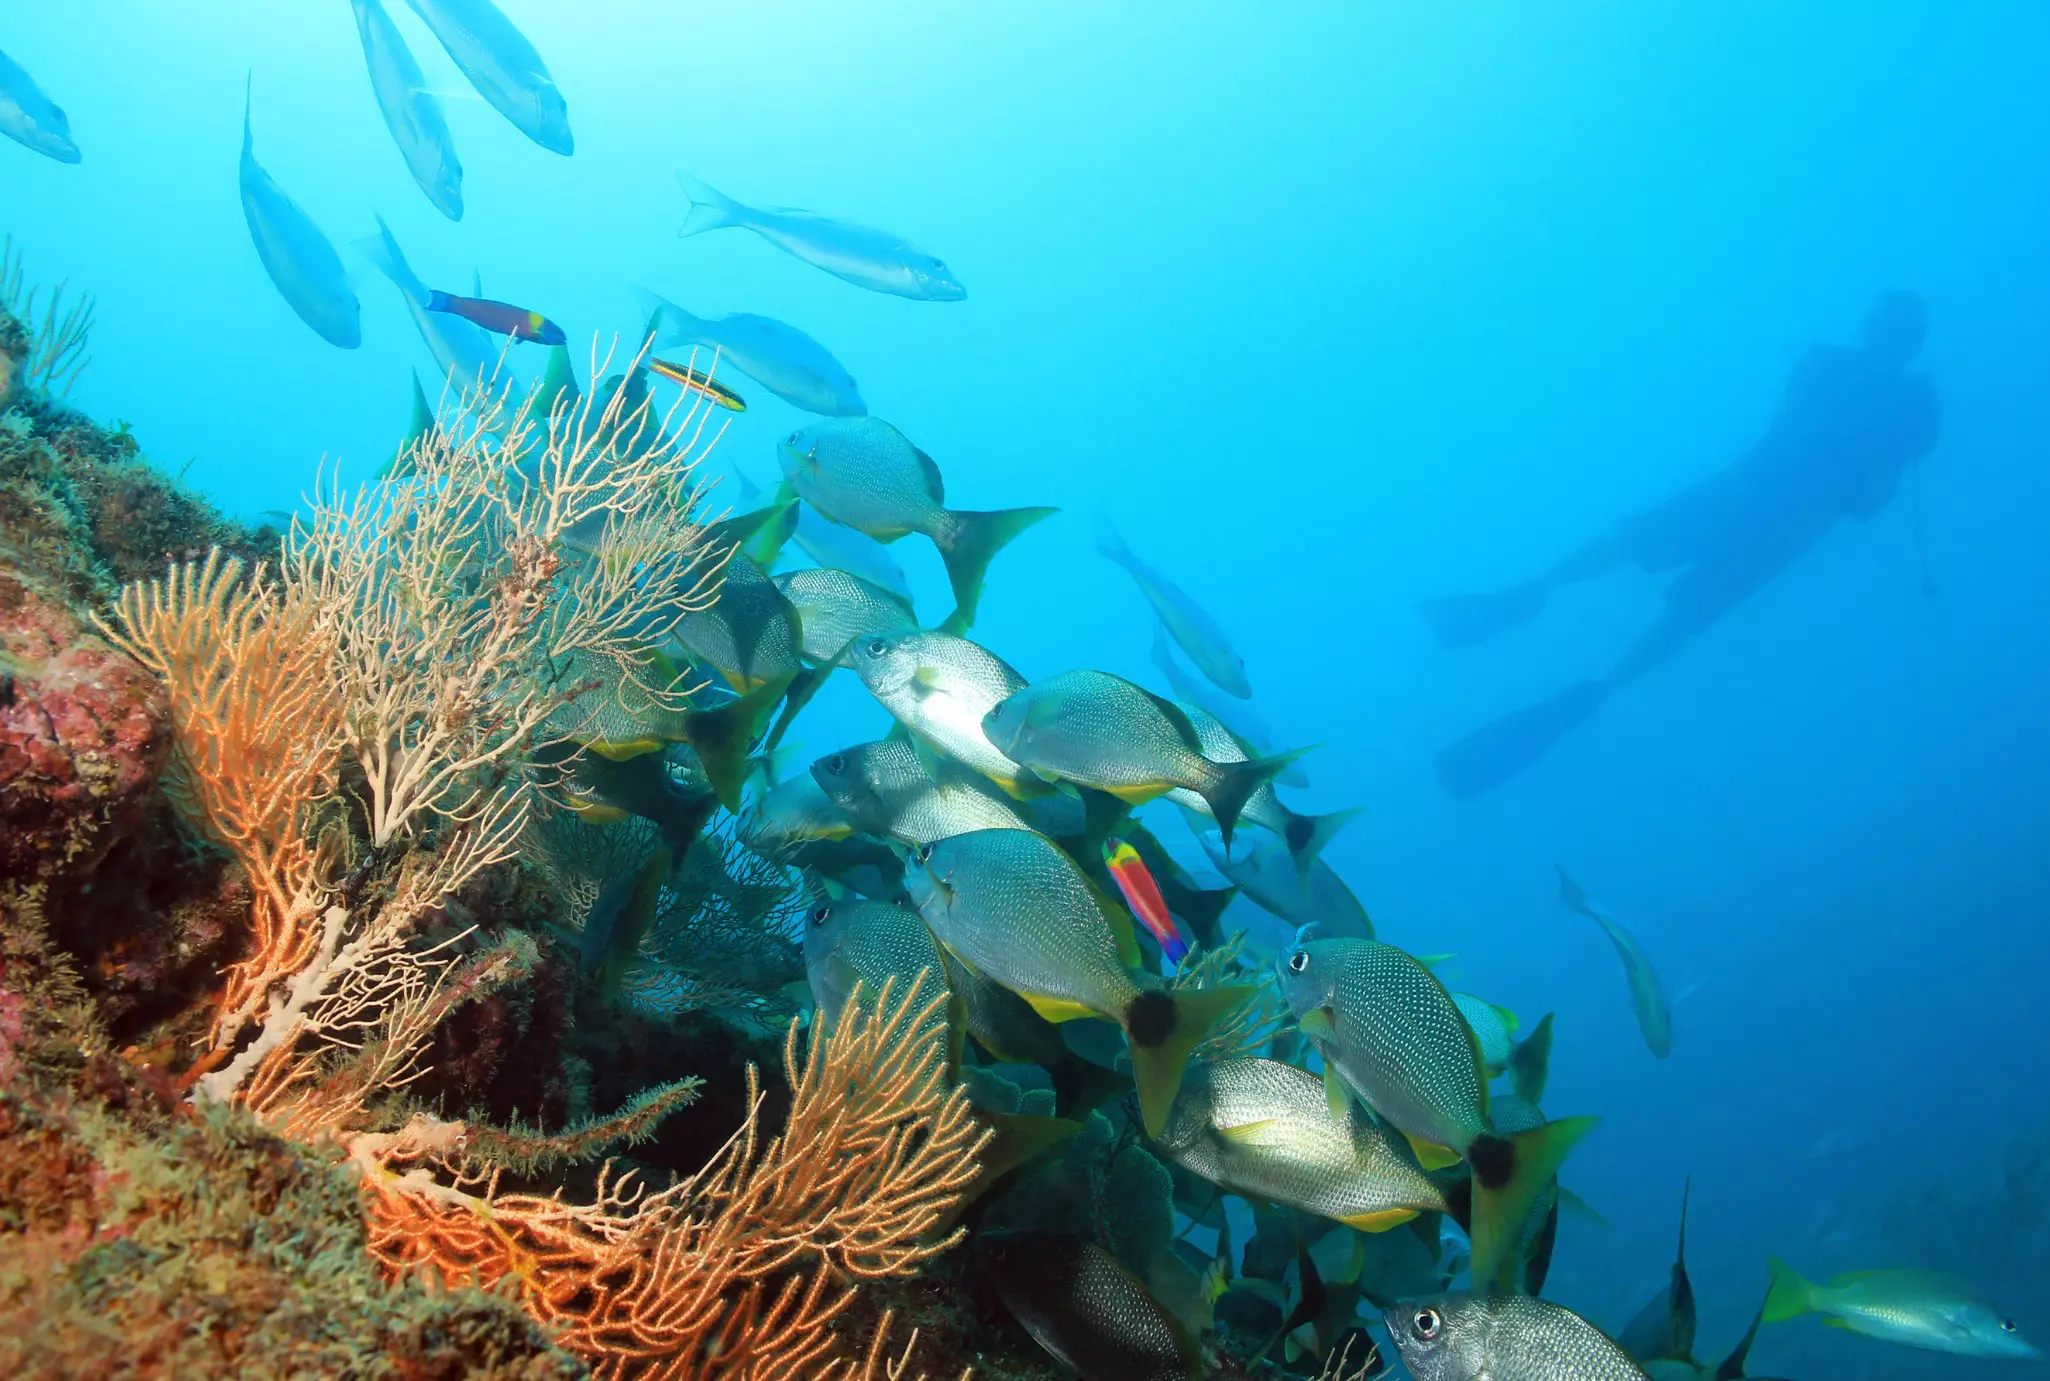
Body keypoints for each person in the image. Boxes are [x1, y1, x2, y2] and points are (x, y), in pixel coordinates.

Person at [1424, 291, 1940, 800]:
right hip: (1776, 516)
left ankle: (1544, 615)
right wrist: (1896, 425)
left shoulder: (1839, 370)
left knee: (1645, 558)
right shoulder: (1876, 391)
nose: (1886, 339)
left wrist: (1895, 427)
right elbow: (1863, 500)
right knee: (1678, 600)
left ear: (1876, 329)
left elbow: (1841, 475)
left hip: (1751, 493)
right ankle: (1581, 675)